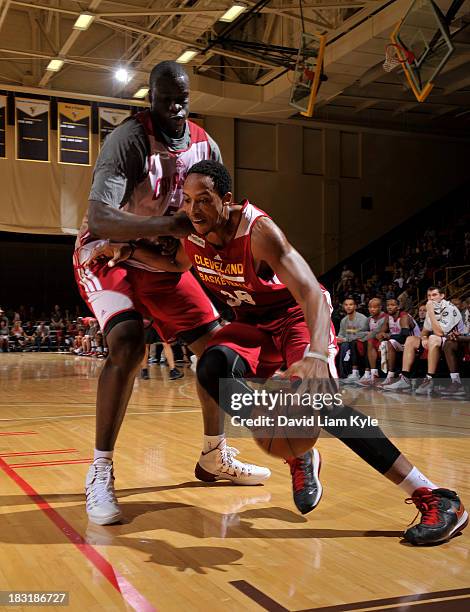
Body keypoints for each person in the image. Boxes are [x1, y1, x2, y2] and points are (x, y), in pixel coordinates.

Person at [92, 160, 467, 545]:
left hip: (296, 320)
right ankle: (297, 449)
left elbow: (311, 294)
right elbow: (173, 265)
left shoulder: (258, 231)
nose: (193, 210)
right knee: (211, 366)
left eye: (203, 200)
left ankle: (435, 497)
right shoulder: (193, 234)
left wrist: (318, 356)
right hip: (255, 327)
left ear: (226, 200)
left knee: (323, 405)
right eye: (187, 201)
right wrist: (125, 253)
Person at [76, 61, 270, 526]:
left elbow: (212, 224)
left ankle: (213, 455)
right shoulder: (128, 140)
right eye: (166, 99)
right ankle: (100, 469)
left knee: (218, 352)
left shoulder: (206, 145)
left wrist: (183, 245)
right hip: (109, 254)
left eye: (182, 97)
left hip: (164, 261)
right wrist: (169, 225)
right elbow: (101, 219)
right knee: (127, 344)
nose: (176, 106)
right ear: (152, 100)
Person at [384, 288, 463, 394]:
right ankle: (405, 379)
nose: (431, 298)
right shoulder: (434, 307)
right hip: (438, 340)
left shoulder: (449, 308)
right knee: (411, 339)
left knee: (433, 338)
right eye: (429, 296)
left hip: (455, 340)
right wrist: (424, 339)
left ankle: (429, 379)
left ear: (442, 295)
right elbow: (424, 332)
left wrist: (430, 311)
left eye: (434, 295)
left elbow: (439, 333)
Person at [375, 299, 419, 388]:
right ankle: (390, 376)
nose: (389, 307)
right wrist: (381, 335)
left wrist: (387, 336)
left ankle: (391, 375)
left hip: (414, 343)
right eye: (387, 305)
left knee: (390, 342)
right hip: (401, 344)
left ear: (398, 307)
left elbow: (404, 335)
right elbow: (380, 334)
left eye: (392, 305)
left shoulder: (404, 316)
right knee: (388, 343)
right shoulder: (388, 317)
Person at [337, 297, 369, 382]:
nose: (348, 307)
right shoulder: (344, 320)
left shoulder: (362, 318)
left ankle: (353, 373)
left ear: (355, 306)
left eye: (351, 304)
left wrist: (345, 339)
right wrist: (338, 339)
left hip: (360, 342)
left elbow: (363, 334)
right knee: (339, 345)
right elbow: (341, 334)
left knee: (347, 344)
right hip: (348, 342)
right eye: (346, 305)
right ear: (344, 307)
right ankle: (343, 374)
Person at [357, 298, 386, 386]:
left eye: (374, 307)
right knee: (357, 342)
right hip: (372, 340)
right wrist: (367, 334)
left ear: (380, 307)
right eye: (370, 307)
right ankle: (366, 373)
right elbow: (360, 332)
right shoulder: (369, 319)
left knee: (368, 341)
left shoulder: (385, 317)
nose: (371, 309)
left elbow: (377, 332)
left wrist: (367, 334)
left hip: (382, 340)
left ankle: (369, 373)